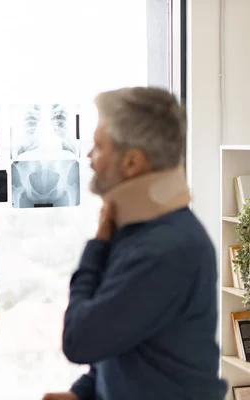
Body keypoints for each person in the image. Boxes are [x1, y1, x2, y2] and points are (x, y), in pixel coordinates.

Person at [42, 87, 227, 400]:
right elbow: (130, 342)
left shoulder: (165, 250)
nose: (89, 157)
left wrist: (97, 246)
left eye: (99, 146)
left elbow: (80, 340)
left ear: (131, 163)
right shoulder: (144, 236)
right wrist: (83, 393)